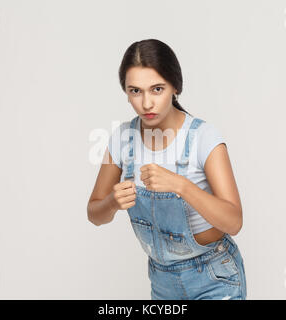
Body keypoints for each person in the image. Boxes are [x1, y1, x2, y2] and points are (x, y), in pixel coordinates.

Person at [87, 39, 246, 300]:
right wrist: (112, 202)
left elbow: (234, 221)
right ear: (126, 93)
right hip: (162, 282)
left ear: (175, 86)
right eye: (136, 91)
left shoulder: (203, 137)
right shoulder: (120, 138)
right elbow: (94, 213)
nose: (147, 103)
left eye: (157, 89)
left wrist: (181, 185)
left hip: (214, 278)